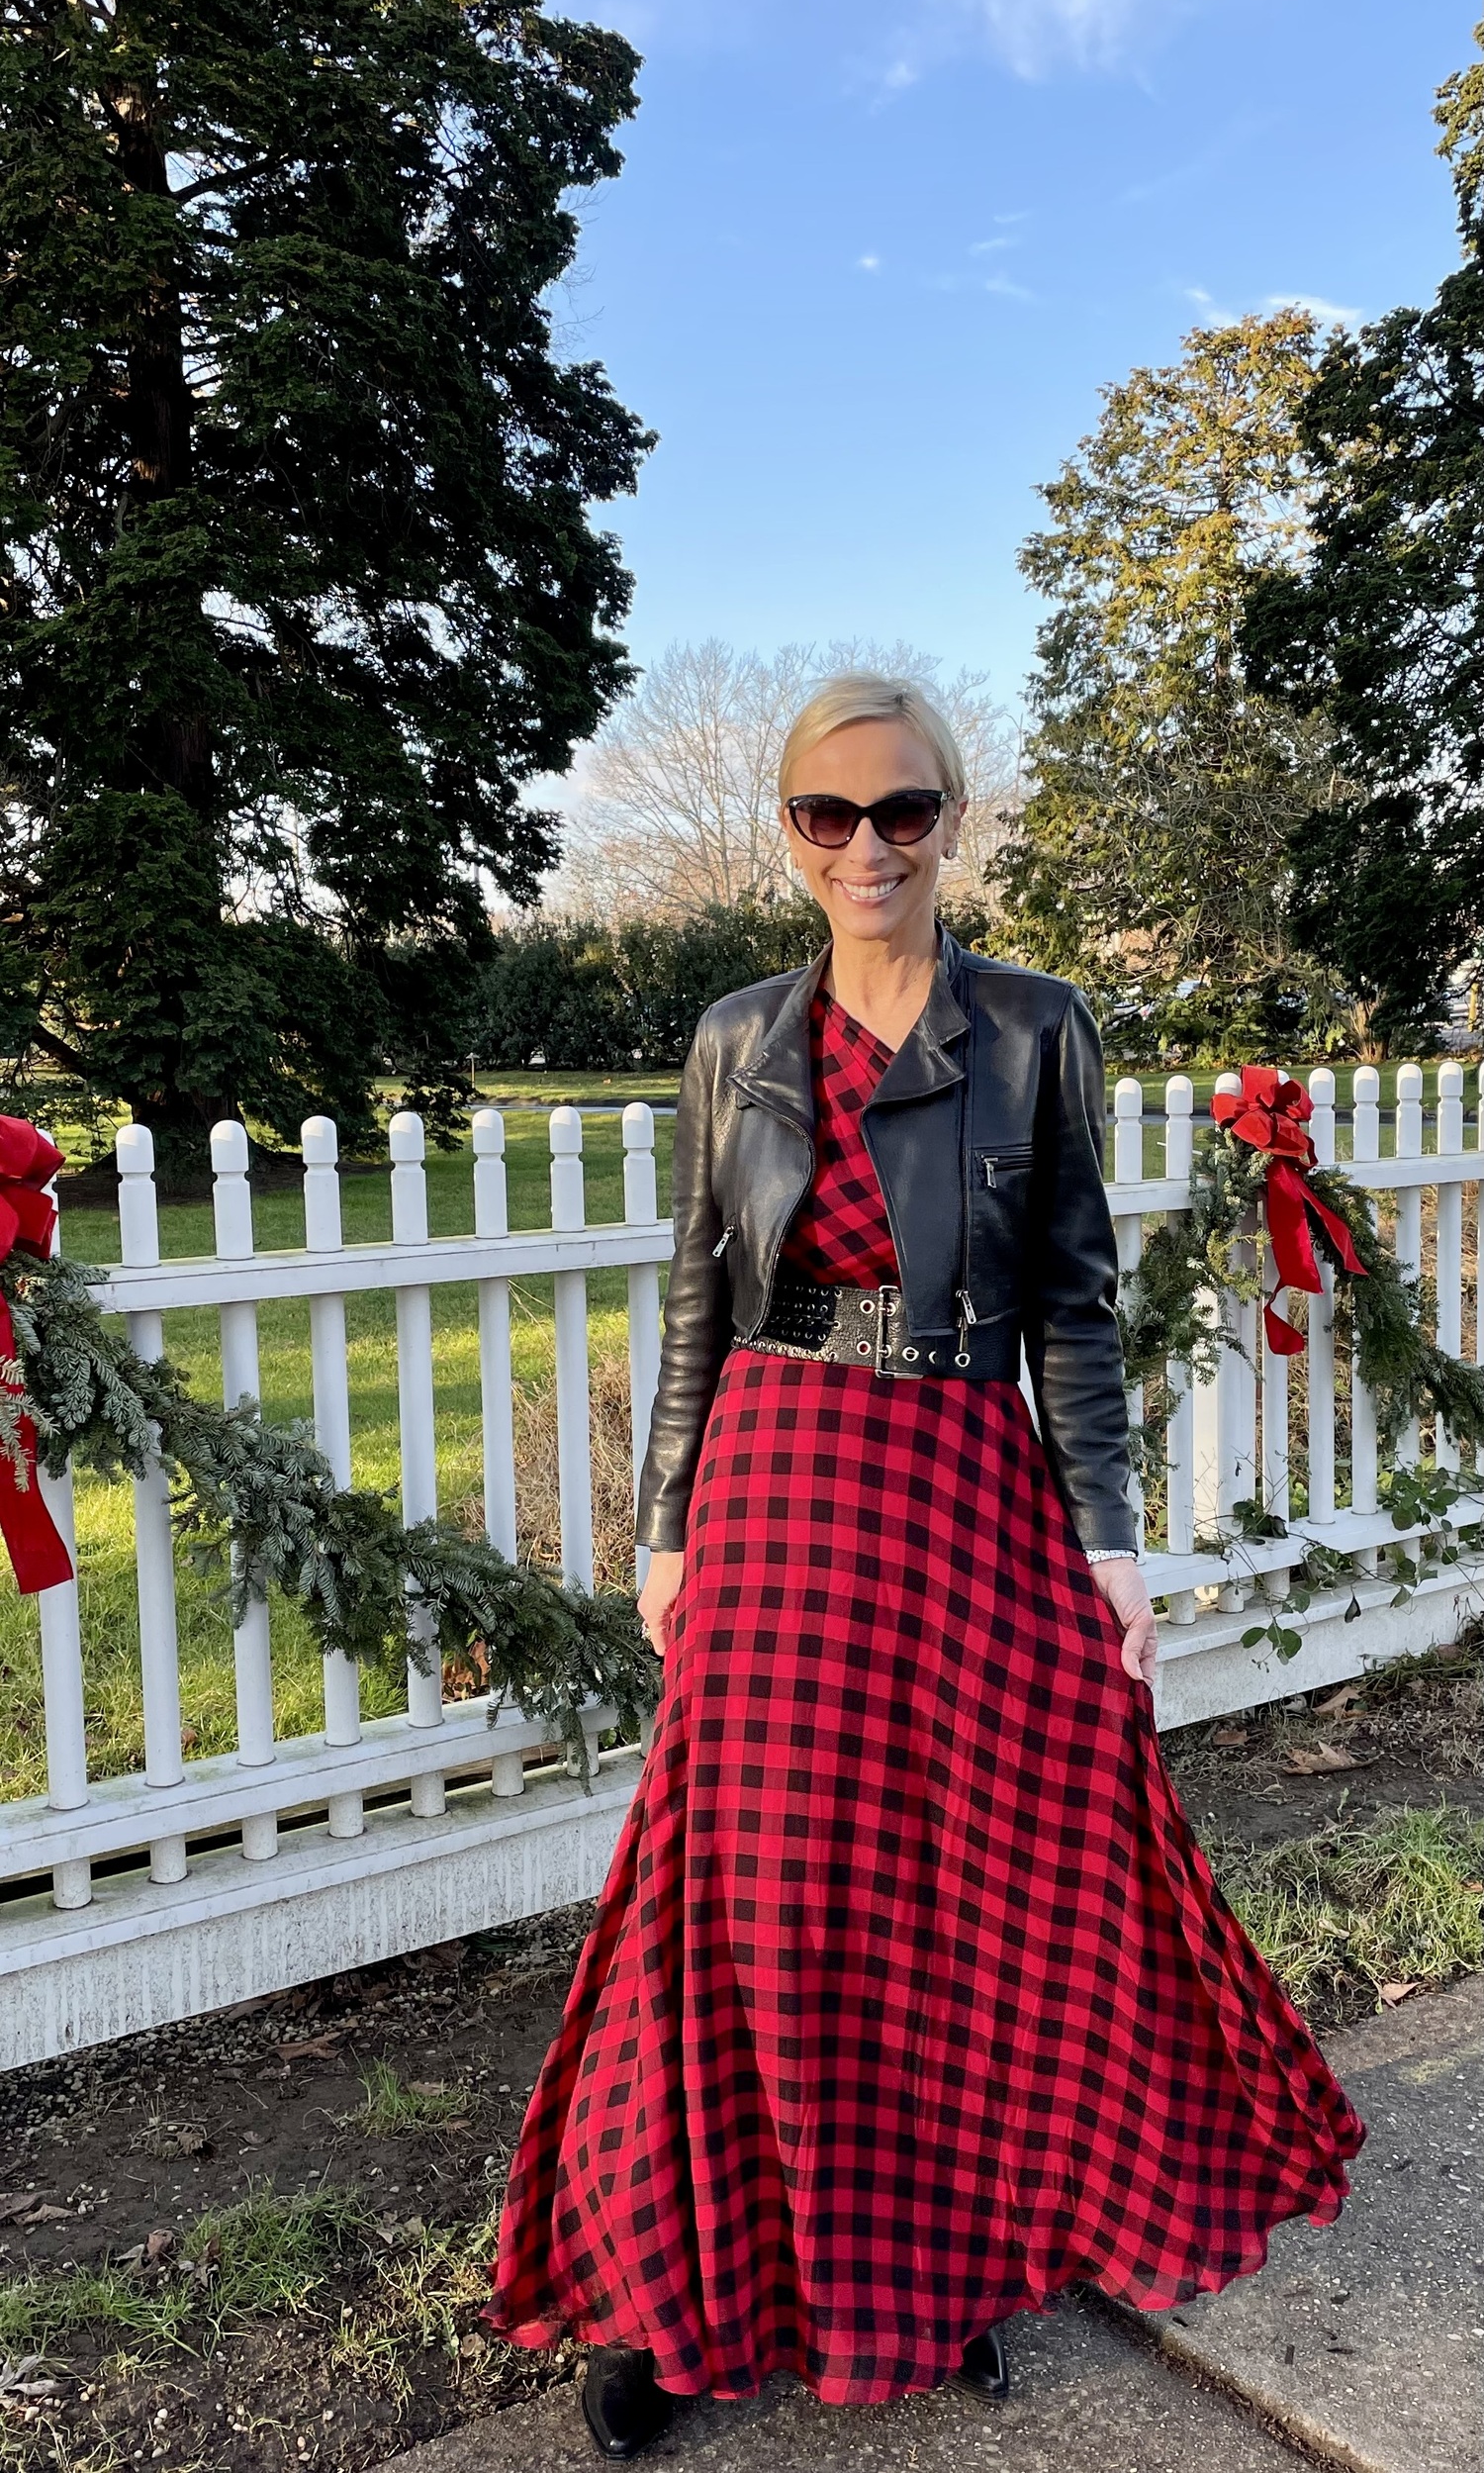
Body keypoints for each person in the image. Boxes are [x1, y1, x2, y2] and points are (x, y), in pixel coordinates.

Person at [484, 674, 1364, 2461]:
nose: (868, 845)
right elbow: (693, 1299)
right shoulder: (737, 1035)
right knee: (750, 1892)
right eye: (830, 814)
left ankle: (935, 2272)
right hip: (781, 1481)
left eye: (902, 810)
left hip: (967, 1491)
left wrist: (1110, 1542)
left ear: (951, 819)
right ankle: (688, 2294)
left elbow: (1078, 1310)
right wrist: (662, 1521)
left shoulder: (1037, 1027)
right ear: (789, 834)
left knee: (963, 1893)